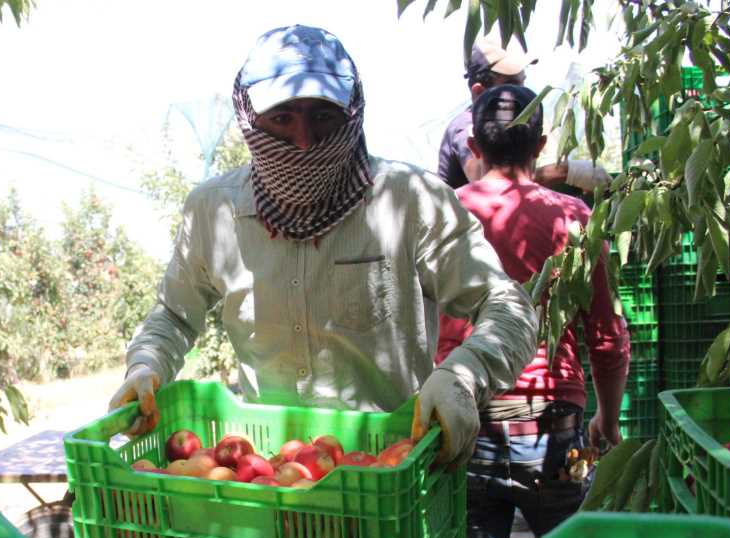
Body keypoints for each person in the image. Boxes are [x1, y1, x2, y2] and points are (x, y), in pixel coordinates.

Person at [109, 24, 538, 469]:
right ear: (249, 117)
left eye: (323, 116)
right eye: (281, 118)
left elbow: (509, 306)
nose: (303, 141)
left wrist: (462, 376)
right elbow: (174, 316)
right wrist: (146, 364)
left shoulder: (412, 201)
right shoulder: (213, 213)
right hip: (271, 480)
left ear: (352, 112)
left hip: (388, 479)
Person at [435, 83, 630, 538]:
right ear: (540, 147)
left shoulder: (445, 216)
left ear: (474, 148)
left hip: (466, 425)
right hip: (554, 430)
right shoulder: (575, 218)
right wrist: (607, 419)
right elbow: (607, 339)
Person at [437, 36, 611, 194]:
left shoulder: (519, 126)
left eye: (522, 82)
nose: (521, 93)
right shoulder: (465, 128)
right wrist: (567, 172)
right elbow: (494, 187)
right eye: (511, 84)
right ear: (479, 93)